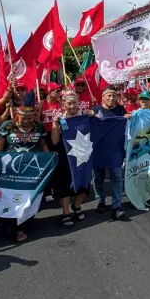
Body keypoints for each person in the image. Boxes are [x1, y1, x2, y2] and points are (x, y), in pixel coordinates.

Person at [0, 105, 49, 242]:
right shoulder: (7, 125)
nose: (27, 121)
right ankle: (13, 225)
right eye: (24, 118)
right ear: (17, 116)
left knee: (30, 198)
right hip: (11, 169)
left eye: (30, 118)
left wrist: (49, 157)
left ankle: (23, 224)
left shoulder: (39, 126)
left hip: (33, 169)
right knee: (13, 198)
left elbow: (42, 144)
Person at [50, 91, 89, 227]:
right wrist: (55, 125)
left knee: (84, 181)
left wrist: (92, 115)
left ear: (78, 104)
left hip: (82, 154)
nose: (72, 106)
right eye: (69, 103)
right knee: (65, 184)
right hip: (65, 155)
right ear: (63, 105)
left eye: (74, 103)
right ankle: (65, 213)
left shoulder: (85, 116)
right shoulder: (59, 119)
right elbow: (55, 141)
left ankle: (76, 206)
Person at [92, 86, 126, 219]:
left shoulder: (121, 110)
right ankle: (101, 200)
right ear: (103, 97)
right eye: (109, 96)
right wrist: (89, 116)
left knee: (117, 177)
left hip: (116, 150)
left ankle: (117, 206)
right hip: (99, 150)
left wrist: (129, 117)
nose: (111, 98)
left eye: (114, 96)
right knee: (98, 178)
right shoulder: (95, 110)